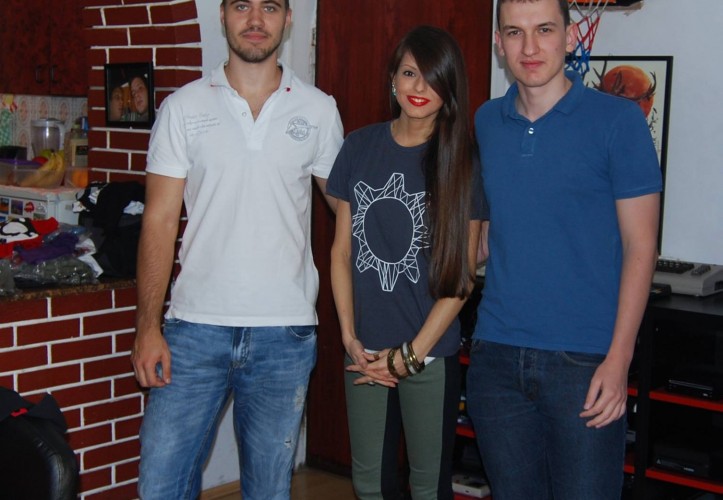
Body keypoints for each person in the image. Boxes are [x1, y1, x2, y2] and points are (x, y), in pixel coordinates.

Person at [130, 0, 343, 498]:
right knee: (159, 486)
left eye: (270, 7)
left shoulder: (318, 110)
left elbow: (351, 213)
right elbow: (159, 222)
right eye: (242, 5)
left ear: (288, 19)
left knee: (268, 491)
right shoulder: (183, 108)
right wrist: (147, 326)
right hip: (193, 330)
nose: (255, 20)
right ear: (223, 15)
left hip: (284, 335)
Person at [465, 0, 662, 499]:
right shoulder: (487, 121)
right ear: (499, 43)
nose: (530, 47)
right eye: (515, 32)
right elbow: (492, 231)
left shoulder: (618, 120)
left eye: (544, 29)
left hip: (585, 363)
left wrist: (619, 360)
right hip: (496, 358)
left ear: (570, 36)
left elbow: (642, 247)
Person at [327, 25, 485, 499]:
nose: (420, 87)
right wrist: (350, 337)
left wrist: (410, 356)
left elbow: (462, 279)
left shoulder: (463, 160)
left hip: (427, 353)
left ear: (450, 87)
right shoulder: (359, 146)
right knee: (369, 484)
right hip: (365, 352)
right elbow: (342, 251)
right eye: (410, 73)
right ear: (393, 78)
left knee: (427, 488)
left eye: (433, 77)